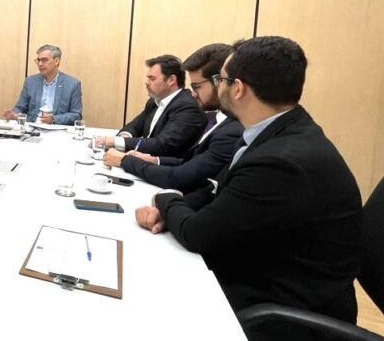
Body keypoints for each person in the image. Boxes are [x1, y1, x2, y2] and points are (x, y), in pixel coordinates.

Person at [135, 37, 361, 340]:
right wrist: (180, 209)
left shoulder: (281, 161)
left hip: (284, 311)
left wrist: (167, 201)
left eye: (221, 80)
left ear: (238, 88)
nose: (218, 87)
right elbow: (218, 193)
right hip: (265, 272)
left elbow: (198, 234)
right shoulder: (277, 131)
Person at [103, 44, 242, 192]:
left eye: (196, 86)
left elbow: (173, 164)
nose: (193, 94)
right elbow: (189, 162)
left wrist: (125, 160)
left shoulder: (191, 109)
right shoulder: (213, 118)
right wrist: (153, 160)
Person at [93, 55, 204, 157]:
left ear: (171, 80)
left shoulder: (187, 107)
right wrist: (124, 139)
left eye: (152, 79)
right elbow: (135, 126)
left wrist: (114, 141)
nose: (147, 83)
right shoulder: (154, 101)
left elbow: (162, 145)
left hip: (164, 170)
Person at [1, 44, 82, 125]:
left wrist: (54, 119)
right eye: (38, 60)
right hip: (32, 127)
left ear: (56, 61)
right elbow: (20, 107)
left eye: (44, 60)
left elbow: (76, 114)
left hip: (57, 128)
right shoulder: (30, 81)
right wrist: (14, 115)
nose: (40, 64)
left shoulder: (73, 84)